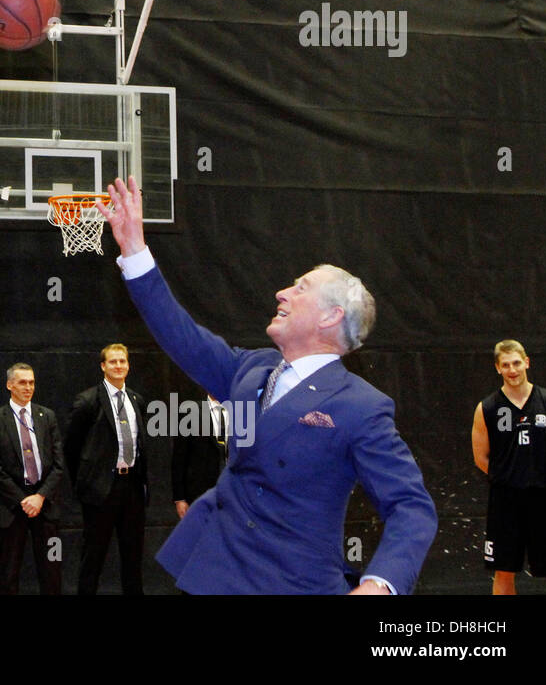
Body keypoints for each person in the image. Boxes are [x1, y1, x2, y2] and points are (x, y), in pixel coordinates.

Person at [103, 174, 437, 594]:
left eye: (300, 288)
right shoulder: (252, 368)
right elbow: (179, 334)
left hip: (290, 583)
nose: (282, 292)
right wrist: (134, 250)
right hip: (213, 573)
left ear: (331, 316)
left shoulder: (361, 406)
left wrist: (378, 585)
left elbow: (411, 507)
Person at [471, 339, 546, 594]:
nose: (512, 370)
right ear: (498, 368)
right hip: (506, 500)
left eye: (517, 363)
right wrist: (509, 477)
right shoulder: (487, 408)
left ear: (527, 362)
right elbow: (480, 457)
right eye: (506, 365)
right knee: (504, 569)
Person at [65, 343, 149, 595]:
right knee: (93, 558)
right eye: (113, 362)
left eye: (122, 361)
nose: (118, 366)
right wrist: (86, 483)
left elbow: (141, 445)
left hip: (132, 487)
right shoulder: (87, 401)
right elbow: (71, 449)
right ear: (103, 366)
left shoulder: (137, 400)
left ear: (128, 365)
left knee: (133, 558)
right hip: (101, 490)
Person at [0, 363, 64, 595]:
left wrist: (40, 497)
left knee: (52, 569)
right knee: (9, 572)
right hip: (12, 506)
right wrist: (23, 500)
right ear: (9, 385)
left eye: (31, 383)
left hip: (45, 505)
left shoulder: (47, 416)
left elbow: (58, 463)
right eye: (22, 382)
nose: (28, 387)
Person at [171, 391, 228, 520]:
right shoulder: (190, 411)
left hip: (233, 491)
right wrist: (179, 498)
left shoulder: (240, 410)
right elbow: (179, 457)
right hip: (200, 492)